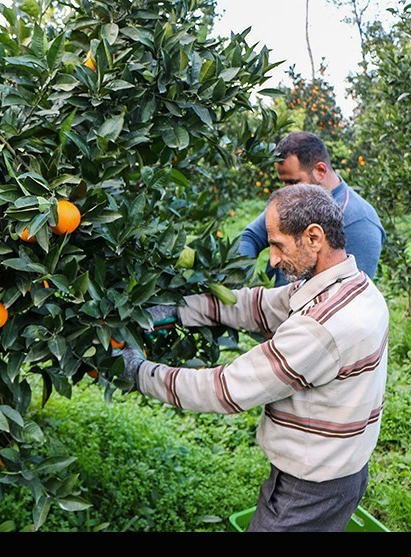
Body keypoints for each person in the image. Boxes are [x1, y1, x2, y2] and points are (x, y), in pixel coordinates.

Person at [121, 184, 389, 532]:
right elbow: (259, 305)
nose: (273, 259)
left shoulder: (319, 328)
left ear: (313, 237)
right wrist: (177, 310)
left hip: (308, 489)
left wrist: (139, 372)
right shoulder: (355, 287)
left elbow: (226, 390)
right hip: (344, 470)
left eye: (277, 244)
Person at [240, 131, 386, 286]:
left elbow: (350, 291)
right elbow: (251, 237)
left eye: (293, 182)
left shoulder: (360, 222)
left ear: (320, 171)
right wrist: (236, 276)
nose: (286, 190)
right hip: (278, 304)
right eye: (283, 182)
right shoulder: (292, 200)